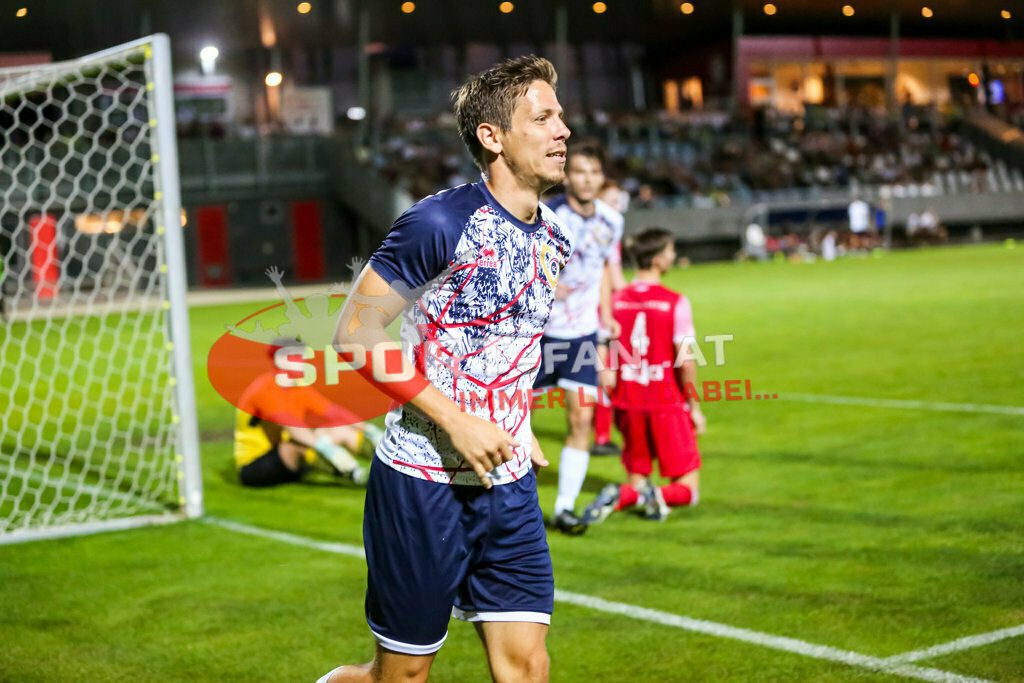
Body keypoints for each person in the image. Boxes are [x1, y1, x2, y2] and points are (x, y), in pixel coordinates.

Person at [319, 55, 572, 683]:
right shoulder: (440, 221)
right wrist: (456, 420)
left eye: (560, 116)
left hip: (507, 484)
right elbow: (355, 330)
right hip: (421, 483)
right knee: (401, 675)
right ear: (493, 137)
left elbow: (507, 344)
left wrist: (519, 419)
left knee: (528, 667)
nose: (562, 130)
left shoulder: (555, 239)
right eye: (542, 118)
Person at [582, 228, 705, 525]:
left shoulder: (613, 303)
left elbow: (603, 361)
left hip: (628, 402)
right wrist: (695, 407)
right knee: (689, 489)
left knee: (636, 479)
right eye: (671, 251)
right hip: (667, 402)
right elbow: (686, 362)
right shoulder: (675, 301)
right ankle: (656, 496)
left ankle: (626, 496)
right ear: (659, 258)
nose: (674, 256)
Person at [534, 140, 623, 534]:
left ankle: (565, 507)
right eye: (580, 172)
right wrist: (548, 286)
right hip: (536, 334)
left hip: (583, 336)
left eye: (594, 172)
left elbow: (603, 270)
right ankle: (510, 506)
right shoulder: (547, 215)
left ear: (601, 178)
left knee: (581, 419)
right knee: (516, 420)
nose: (587, 180)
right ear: (567, 176)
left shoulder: (611, 220)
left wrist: (604, 331)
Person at [234, 343, 378, 488]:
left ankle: (386, 466)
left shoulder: (297, 386)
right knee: (301, 443)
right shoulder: (265, 388)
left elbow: (334, 412)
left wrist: (369, 430)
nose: (303, 361)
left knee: (339, 430)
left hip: (288, 457)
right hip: (255, 467)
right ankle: (355, 474)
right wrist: (326, 448)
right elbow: (292, 428)